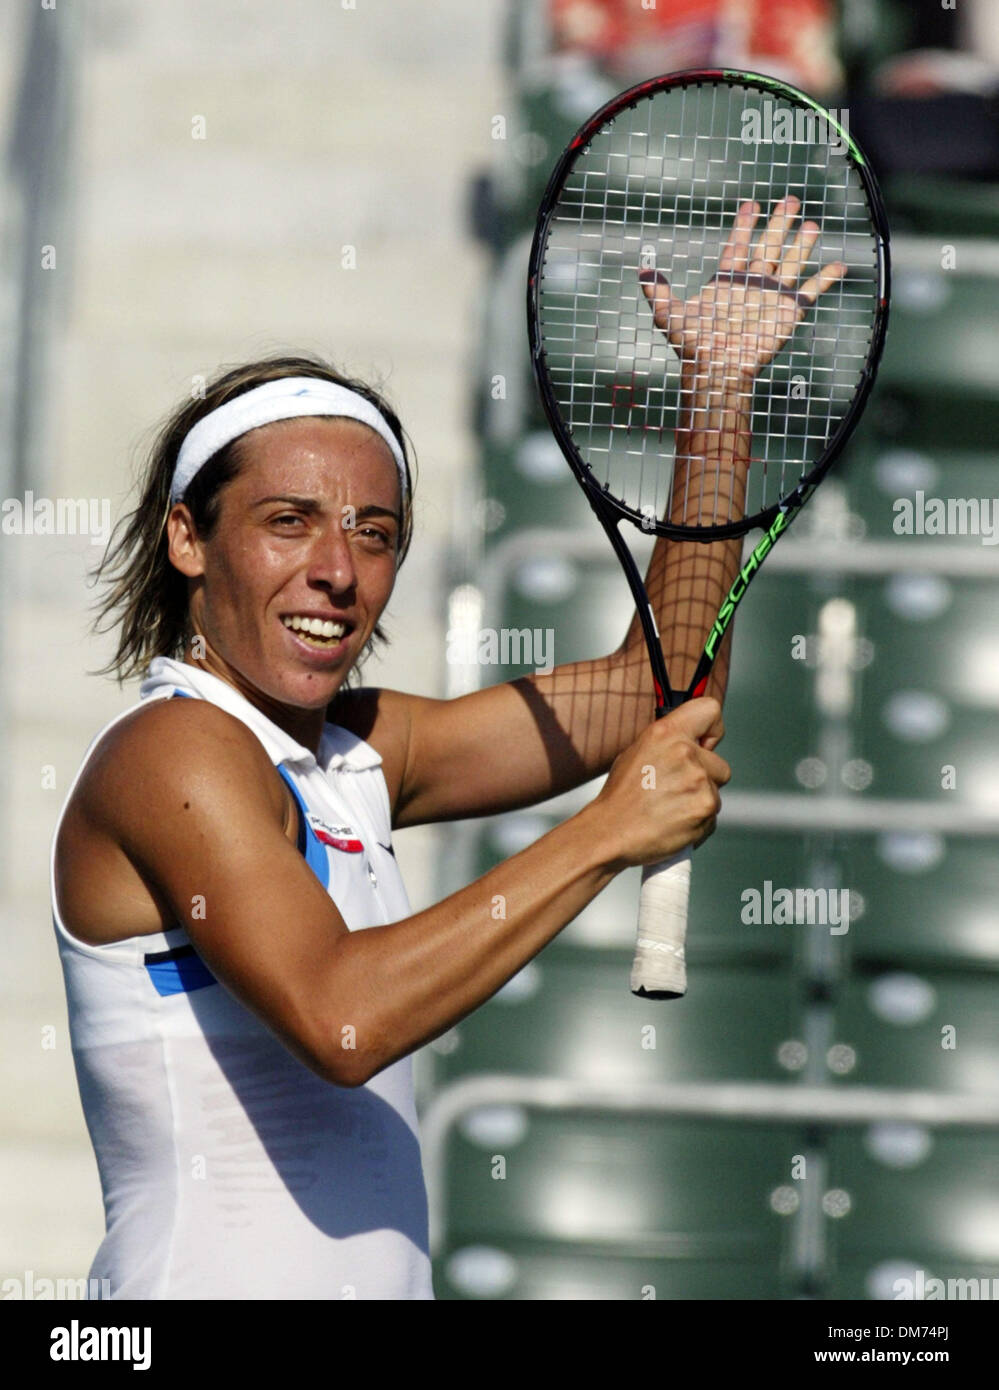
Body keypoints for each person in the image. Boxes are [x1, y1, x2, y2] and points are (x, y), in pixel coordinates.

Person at [51, 197, 842, 1299]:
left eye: (374, 534)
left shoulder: (360, 750)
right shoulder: (171, 748)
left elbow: (652, 685)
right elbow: (342, 1018)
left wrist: (717, 400)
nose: (338, 569)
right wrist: (603, 837)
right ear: (189, 536)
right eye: (290, 521)